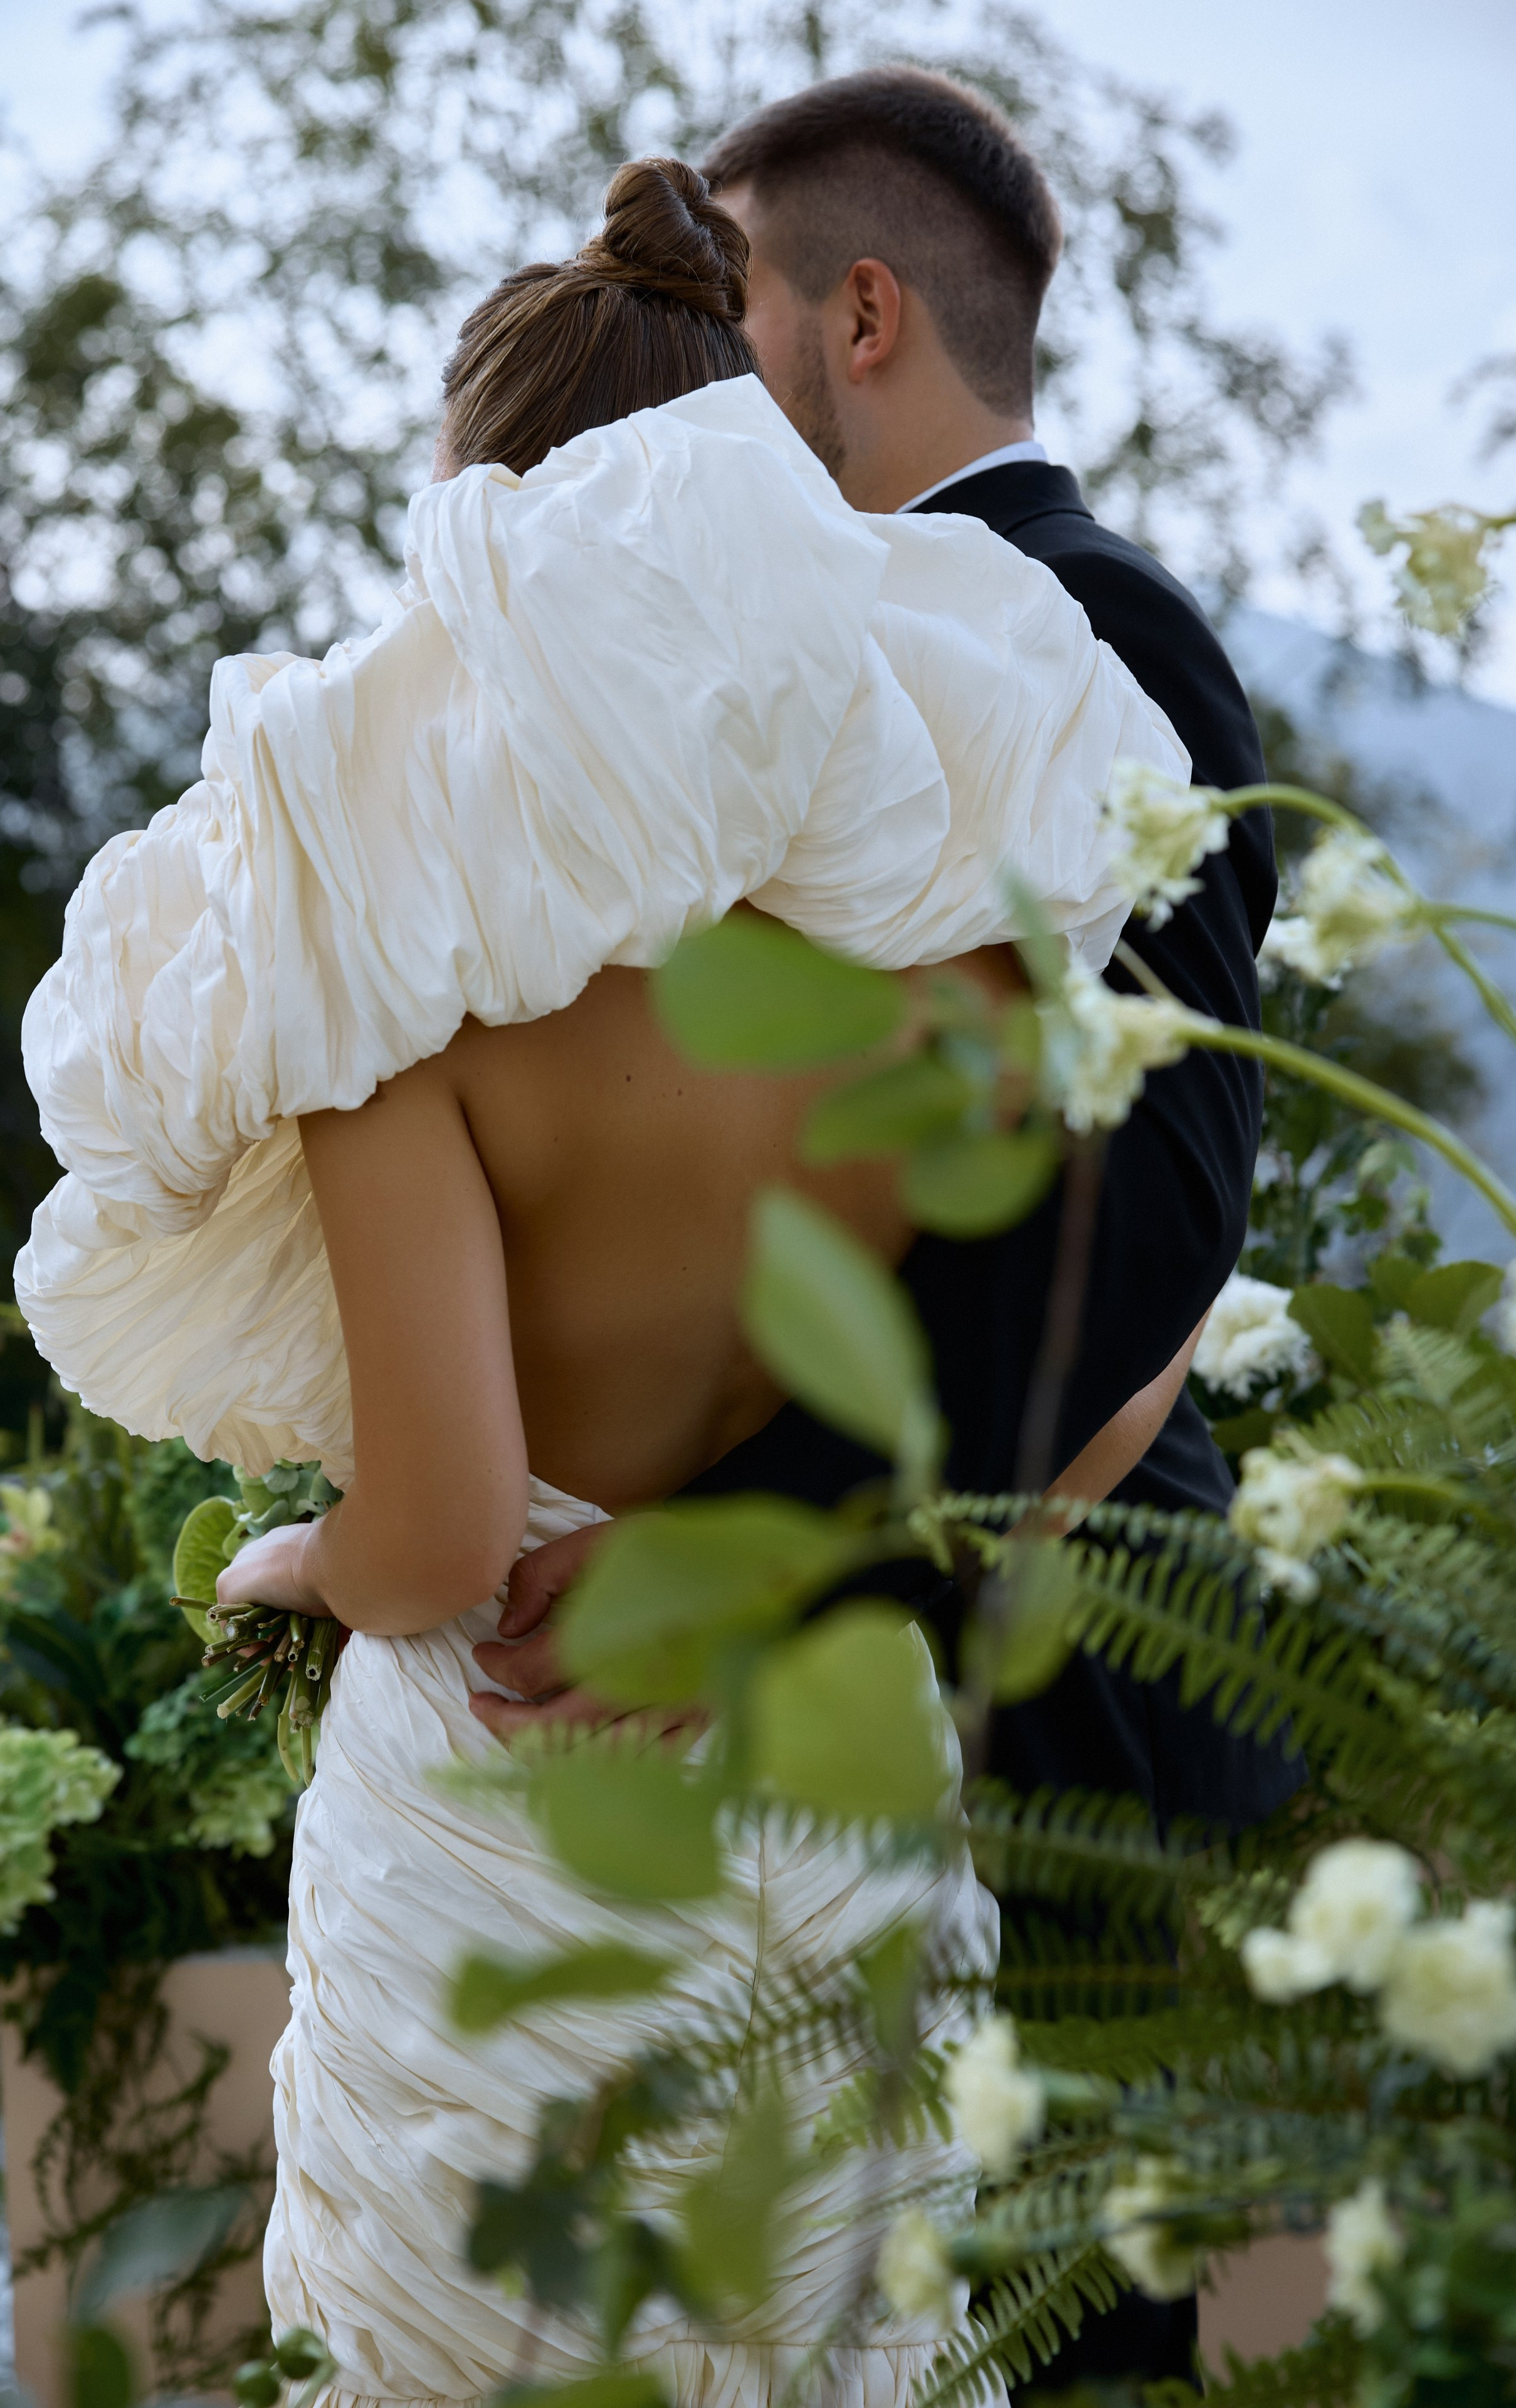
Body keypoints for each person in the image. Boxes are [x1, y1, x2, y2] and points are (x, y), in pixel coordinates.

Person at [477, 72, 1303, 2390]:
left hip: (1073, 1666)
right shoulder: (824, 644)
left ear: (855, 314)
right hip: (879, 1684)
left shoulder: (1089, 618)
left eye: (709, 304)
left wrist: (751, 1544)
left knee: (1060, 2324)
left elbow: (1149, 1203)